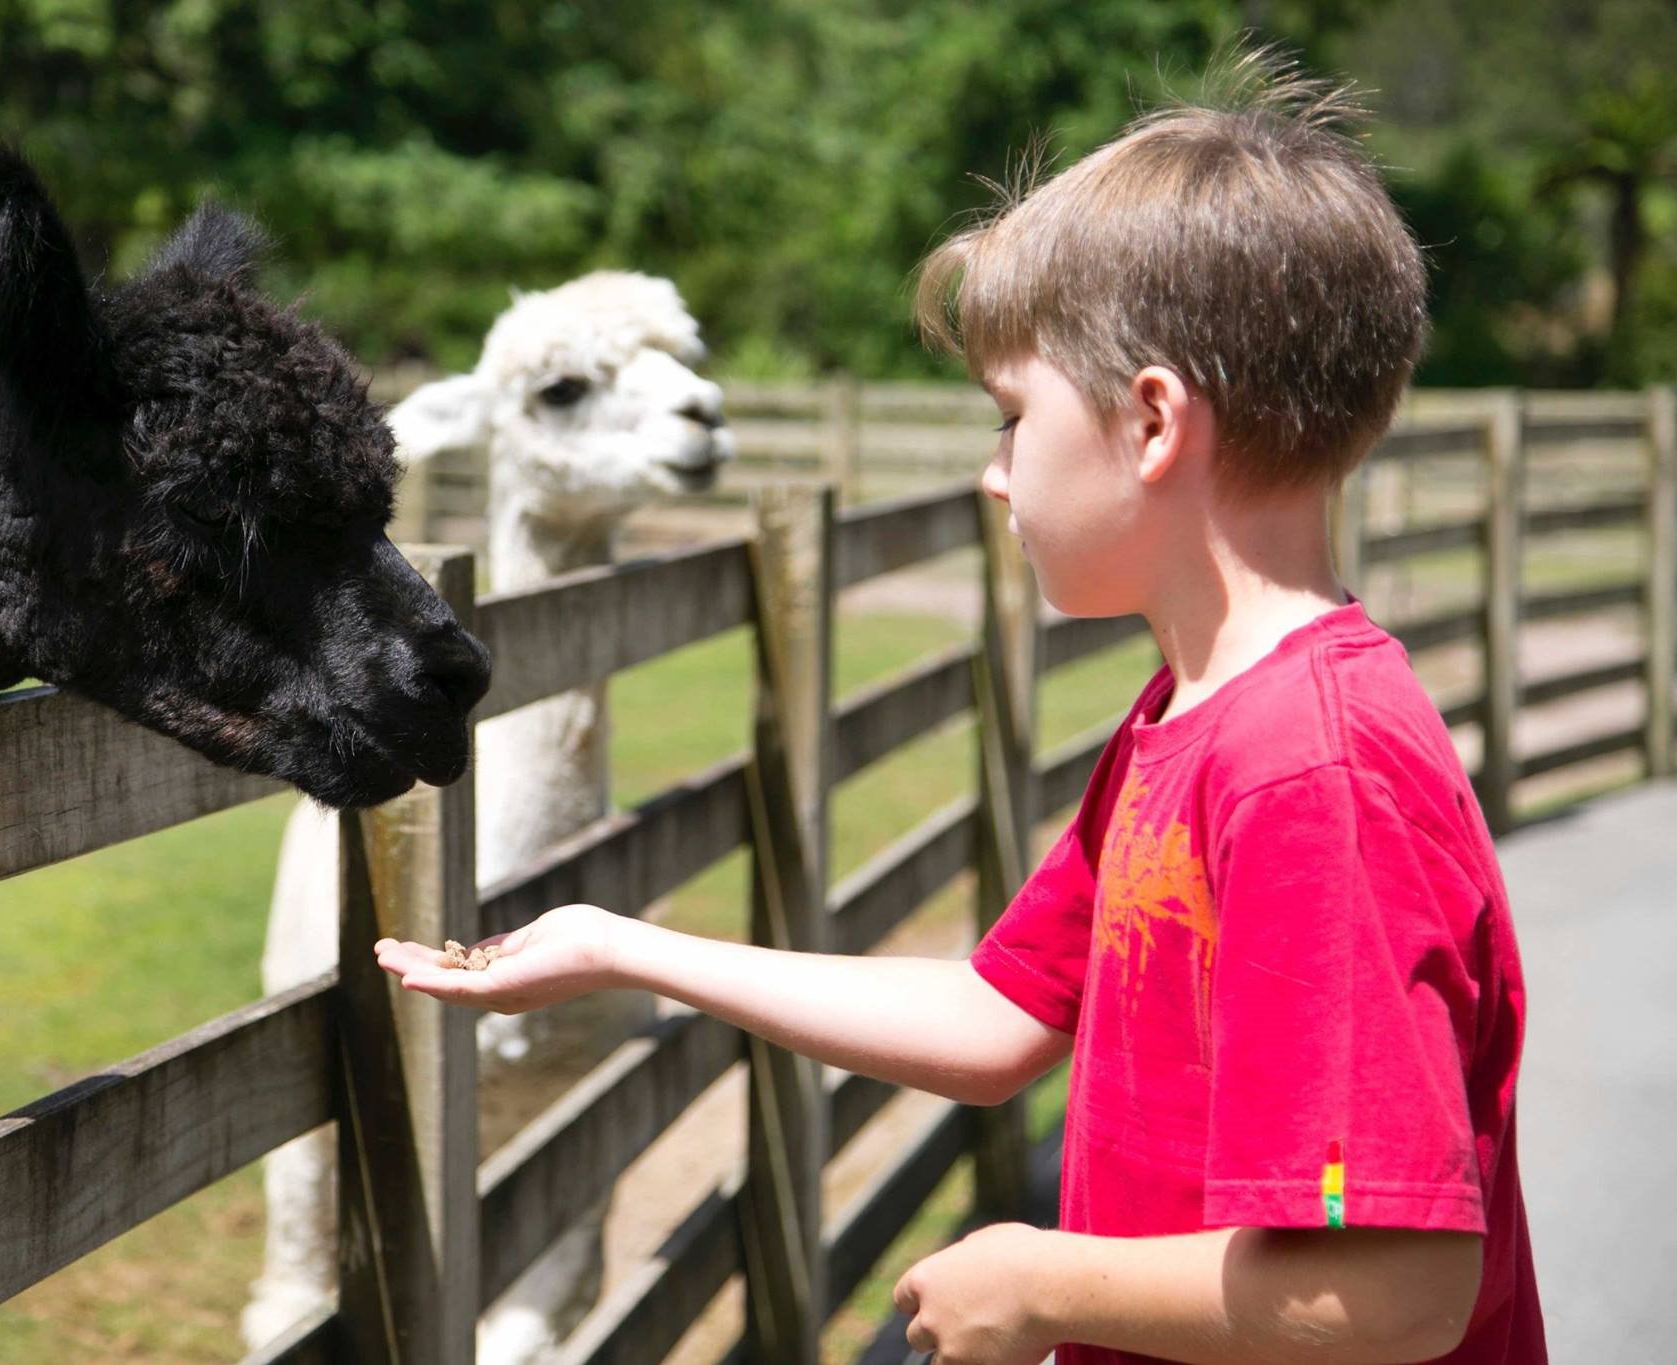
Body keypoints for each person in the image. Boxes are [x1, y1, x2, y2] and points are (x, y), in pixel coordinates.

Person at [376, 45, 1544, 1364]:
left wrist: (1042, 1279)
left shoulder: (1306, 771)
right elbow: (997, 1021)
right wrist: (626, 944)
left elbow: (1391, 1287)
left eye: (1010, 418)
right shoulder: (1189, 719)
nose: (996, 475)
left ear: (1153, 423)